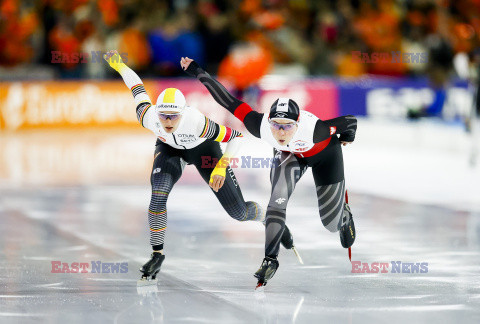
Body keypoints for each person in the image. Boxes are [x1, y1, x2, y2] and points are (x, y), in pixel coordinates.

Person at [103, 50, 295, 285]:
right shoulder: (148, 115)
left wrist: (221, 167)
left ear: (183, 114)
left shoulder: (197, 123)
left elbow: (237, 137)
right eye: (164, 116)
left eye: (173, 116)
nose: (168, 122)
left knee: (238, 213)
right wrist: (120, 65)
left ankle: (267, 217)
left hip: (205, 151)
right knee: (157, 197)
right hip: (170, 150)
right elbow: (137, 87)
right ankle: (156, 255)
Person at [181, 57, 357, 288]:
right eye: (276, 125)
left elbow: (350, 121)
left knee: (330, 225)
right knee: (276, 202)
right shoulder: (260, 125)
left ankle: (343, 216)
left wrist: (346, 138)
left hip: (325, 156)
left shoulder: (316, 130)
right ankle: (270, 259)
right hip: (290, 156)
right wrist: (197, 71)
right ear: (268, 122)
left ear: (297, 124)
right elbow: (227, 100)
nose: (280, 132)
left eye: (287, 126)